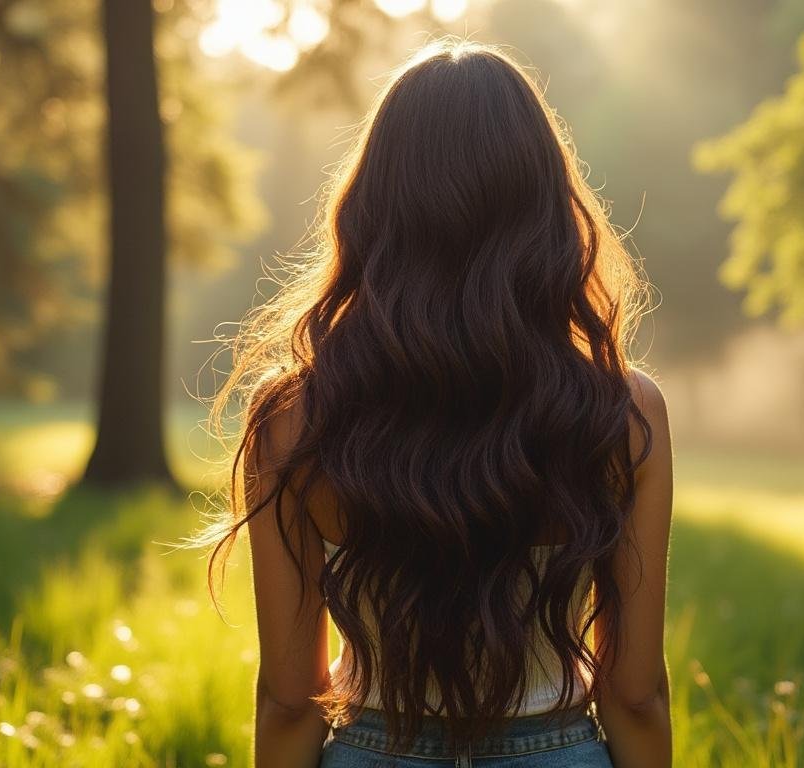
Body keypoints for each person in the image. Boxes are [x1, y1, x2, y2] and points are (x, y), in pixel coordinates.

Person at [200, 38, 674, 768]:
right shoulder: (621, 413)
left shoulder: (293, 416)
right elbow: (635, 694)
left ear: (374, 205)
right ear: (545, 204)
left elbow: (290, 698)